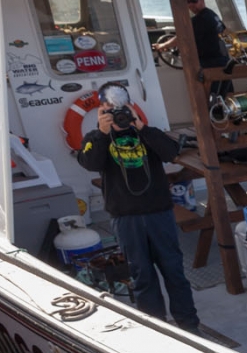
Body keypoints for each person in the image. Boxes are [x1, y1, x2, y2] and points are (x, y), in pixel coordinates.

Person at [75, 83, 199, 334]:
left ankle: (190, 327)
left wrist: (140, 125)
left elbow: (171, 153)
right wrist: (101, 132)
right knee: (141, 276)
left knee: (174, 272)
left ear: (130, 106)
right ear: (101, 109)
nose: (117, 114)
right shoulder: (96, 137)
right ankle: (157, 329)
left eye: (121, 108)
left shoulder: (148, 133)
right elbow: (89, 162)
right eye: (110, 109)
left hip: (159, 214)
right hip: (126, 218)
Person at [153, 0, 232, 96]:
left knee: (213, 96)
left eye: (194, 1)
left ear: (202, 1)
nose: (191, 5)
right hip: (223, 61)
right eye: (188, 2)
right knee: (225, 94)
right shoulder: (212, 15)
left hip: (211, 63)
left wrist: (162, 45)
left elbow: (182, 38)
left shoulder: (200, 19)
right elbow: (224, 31)